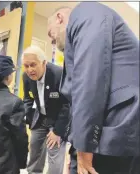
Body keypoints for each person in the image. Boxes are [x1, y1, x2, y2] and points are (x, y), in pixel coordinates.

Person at [48, 2, 139, 174]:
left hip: (113, 131)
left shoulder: (85, 13)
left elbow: (89, 80)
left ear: (59, 18)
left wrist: (82, 148)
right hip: (120, 132)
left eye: (49, 33)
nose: (51, 40)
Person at [22, 45, 70, 174]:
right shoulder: (26, 77)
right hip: (40, 118)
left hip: (57, 119)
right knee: (34, 153)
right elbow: (27, 99)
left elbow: (67, 105)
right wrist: (30, 119)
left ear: (44, 63)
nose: (29, 69)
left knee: (54, 157)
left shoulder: (59, 75)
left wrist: (58, 131)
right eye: (26, 66)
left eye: (33, 65)